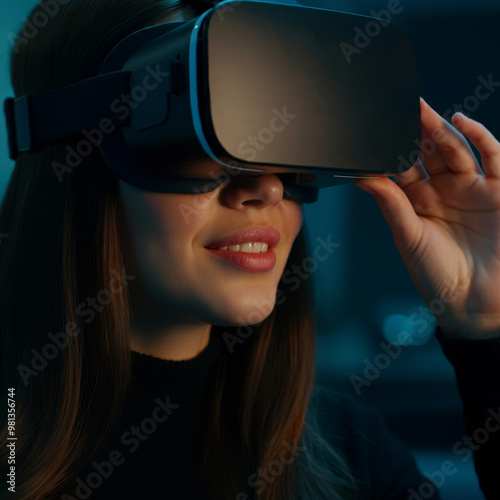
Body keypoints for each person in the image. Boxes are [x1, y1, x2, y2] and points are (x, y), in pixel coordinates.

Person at [1, 1, 500, 499]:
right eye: (199, 140)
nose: (268, 189)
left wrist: (485, 326)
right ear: (72, 160)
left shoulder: (349, 451)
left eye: (279, 142)